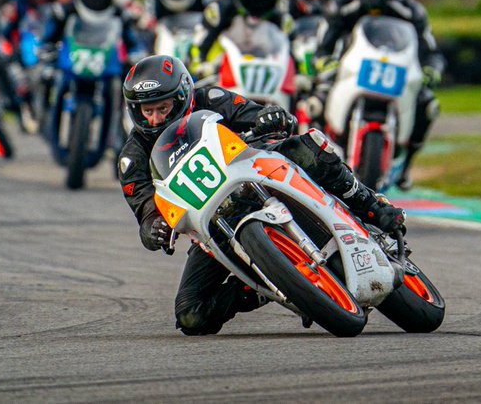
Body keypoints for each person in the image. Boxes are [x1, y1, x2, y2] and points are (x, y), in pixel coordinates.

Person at [118, 54, 406, 335]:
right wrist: (152, 229)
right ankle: (271, 283)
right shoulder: (132, 158)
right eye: (148, 111)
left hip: (254, 172)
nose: (156, 119)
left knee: (305, 147)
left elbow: (254, 115)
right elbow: (145, 210)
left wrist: (270, 117)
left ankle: (369, 203)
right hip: (213, 223)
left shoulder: (211, 100)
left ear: (182, 98)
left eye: (163, 108)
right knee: (192, 315)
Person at [312, 0, 445, 190]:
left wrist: (431, 69)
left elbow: (430, 49)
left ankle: (405, 168)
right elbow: (323, 47)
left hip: (396, 71)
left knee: (428, 105)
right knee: (316, 99)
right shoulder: (341, 7)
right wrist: (326, 64)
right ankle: (315, 157)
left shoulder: (409, 9)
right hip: (350, 70)